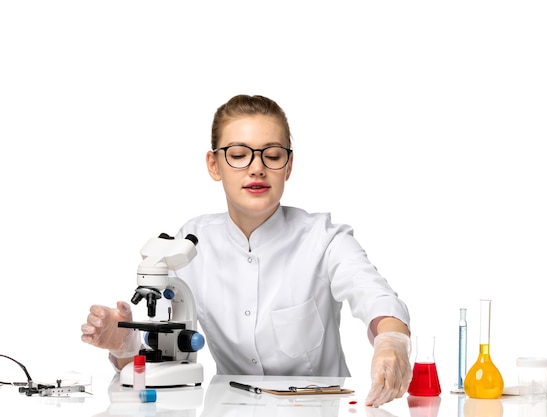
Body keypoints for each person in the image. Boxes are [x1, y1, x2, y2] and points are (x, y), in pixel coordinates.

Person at [81, 94, 412, 407]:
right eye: (238, 155)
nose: (256, 168)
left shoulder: (324, 239)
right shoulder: (191, 241)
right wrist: (124, 345)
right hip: (230, 408)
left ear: (289, 165)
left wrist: (391, 342)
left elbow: (376, 296)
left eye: (272, 155)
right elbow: (161, 354)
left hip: (316, 408)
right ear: (214, 165)